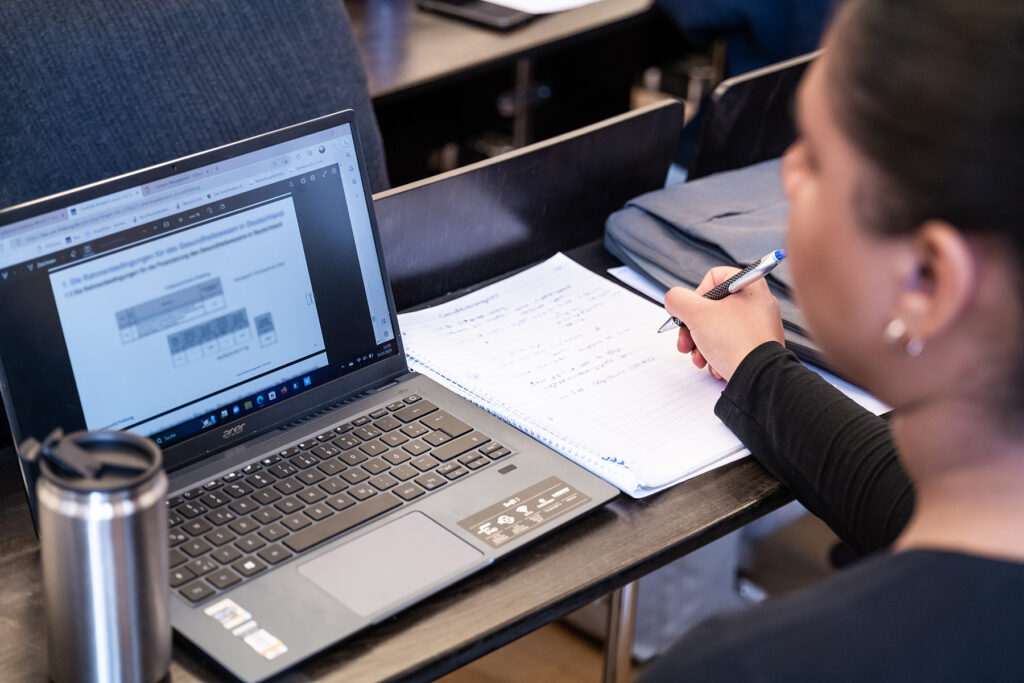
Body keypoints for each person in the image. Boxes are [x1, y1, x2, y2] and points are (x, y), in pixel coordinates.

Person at [642, 0, 1024, 679]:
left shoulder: (746, 668)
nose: (787, 174)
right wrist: (760, 366)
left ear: (927, 279)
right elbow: (900, 498)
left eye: (815, 158)